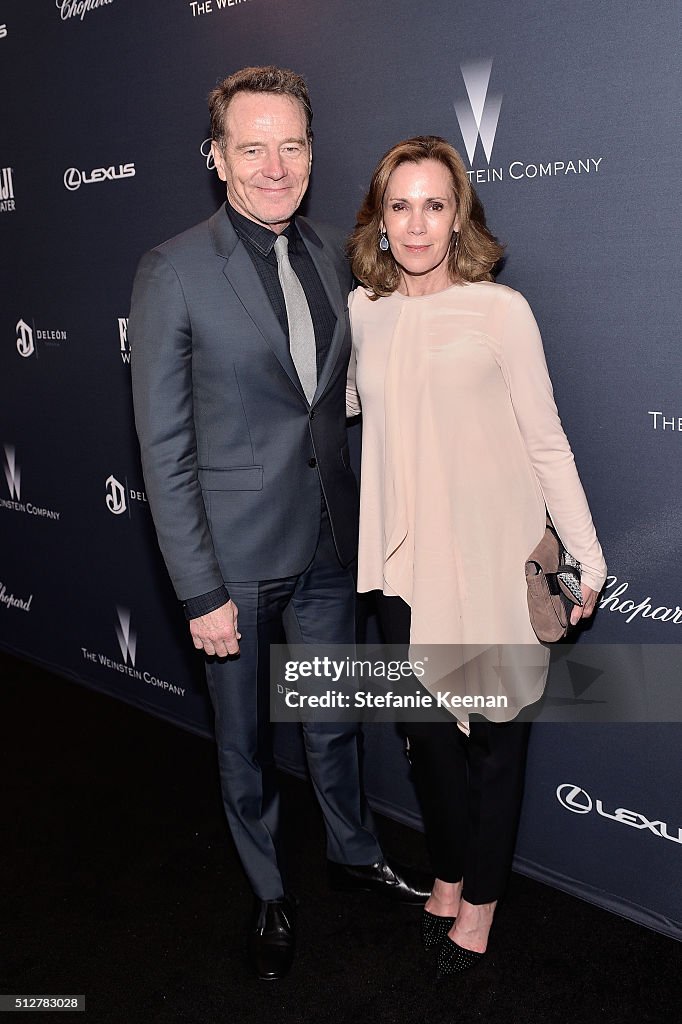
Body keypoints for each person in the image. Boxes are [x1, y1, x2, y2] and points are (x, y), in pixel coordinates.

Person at [128, 68, 429, 982]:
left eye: (291, 145)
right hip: (236, 563)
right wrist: (200, 590)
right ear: (216, 158)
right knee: (246, 744)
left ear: (311, 153)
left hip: (332, 544)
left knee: (333, 718)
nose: (274, 165)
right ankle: (268, 892)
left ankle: (351, 851)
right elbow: (163, 447)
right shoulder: (172, 270)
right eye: (251, 146)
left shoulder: (342, 252)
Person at [346, 136, 607, 974]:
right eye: (400, 206)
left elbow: (546, 440)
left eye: (434, 204)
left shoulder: (503, 311)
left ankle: (481, 903)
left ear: (459, 216)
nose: (417, 224)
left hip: (494, 560)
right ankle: (450, 874)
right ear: (379, 222)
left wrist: (588, 560)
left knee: (496, 744)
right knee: (425, 739)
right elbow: (349, 402)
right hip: (402, 565)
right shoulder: (364, 312)